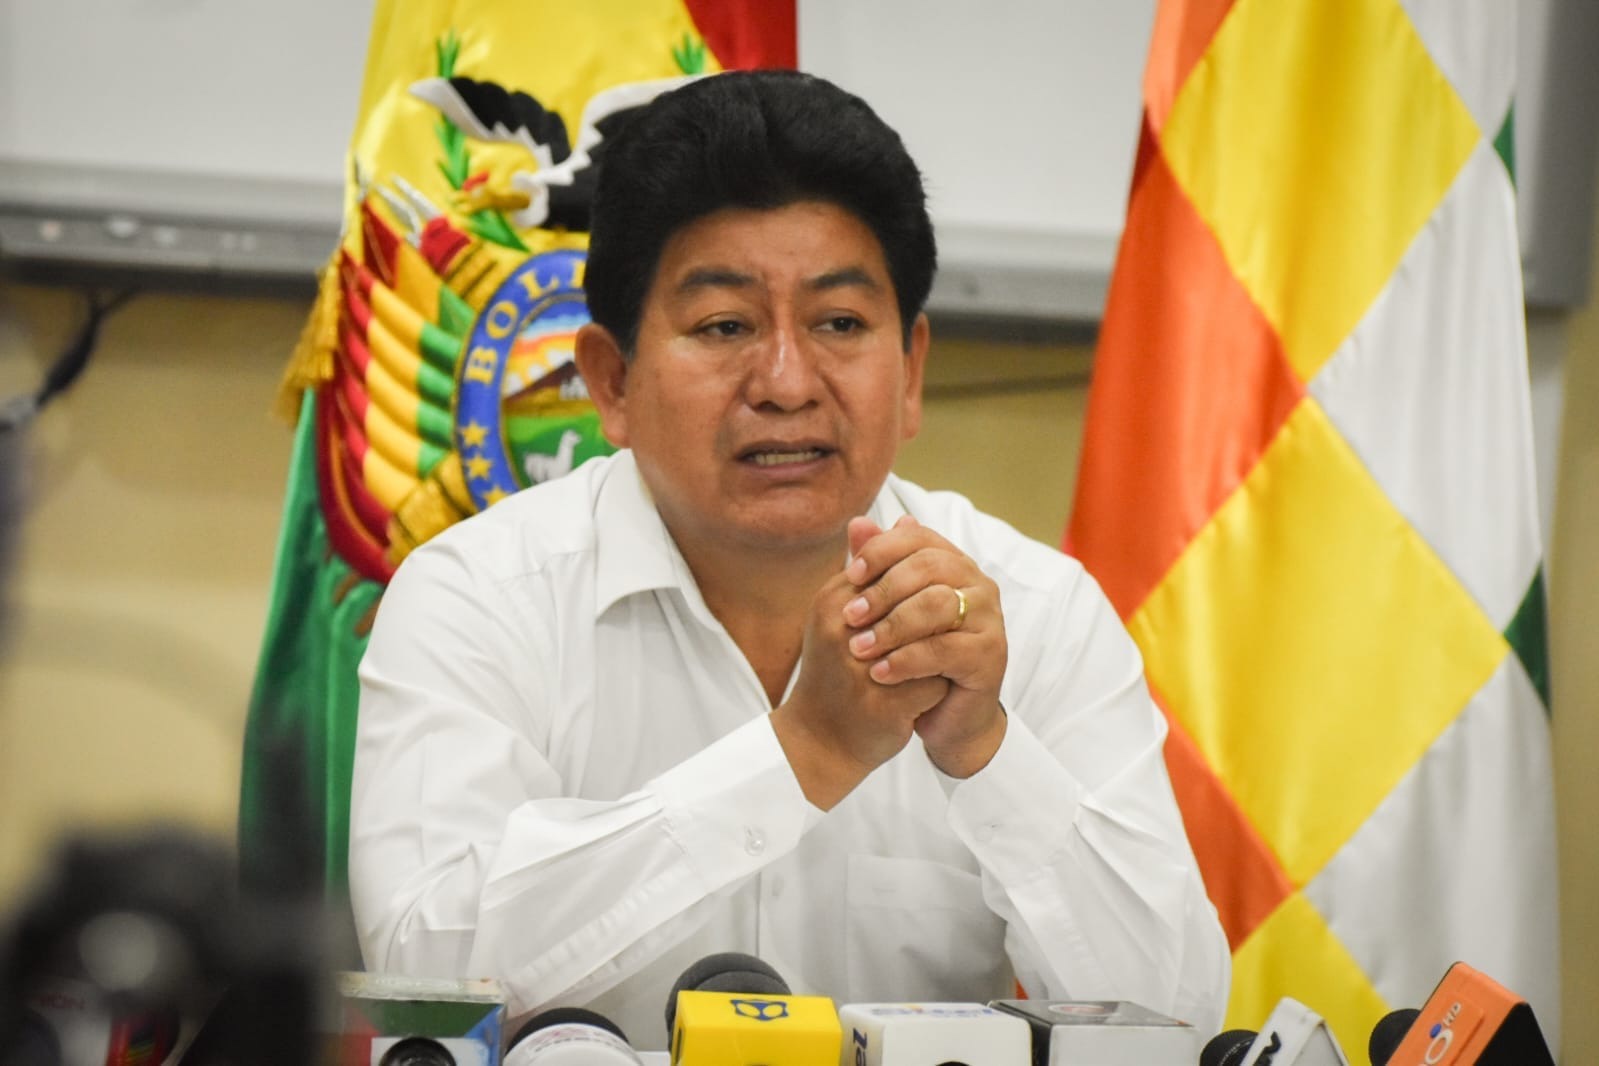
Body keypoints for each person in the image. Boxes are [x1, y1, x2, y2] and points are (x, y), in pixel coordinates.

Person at [349, 69, 1230, 1049]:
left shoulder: (1035, 612)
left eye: (839, 324)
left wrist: (986, 749)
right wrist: (804, 752)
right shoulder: (478, 597)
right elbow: (425, 977)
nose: (784, 382)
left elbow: (1178, 1019)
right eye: (724, 326)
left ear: (911, 371)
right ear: (611, 381)